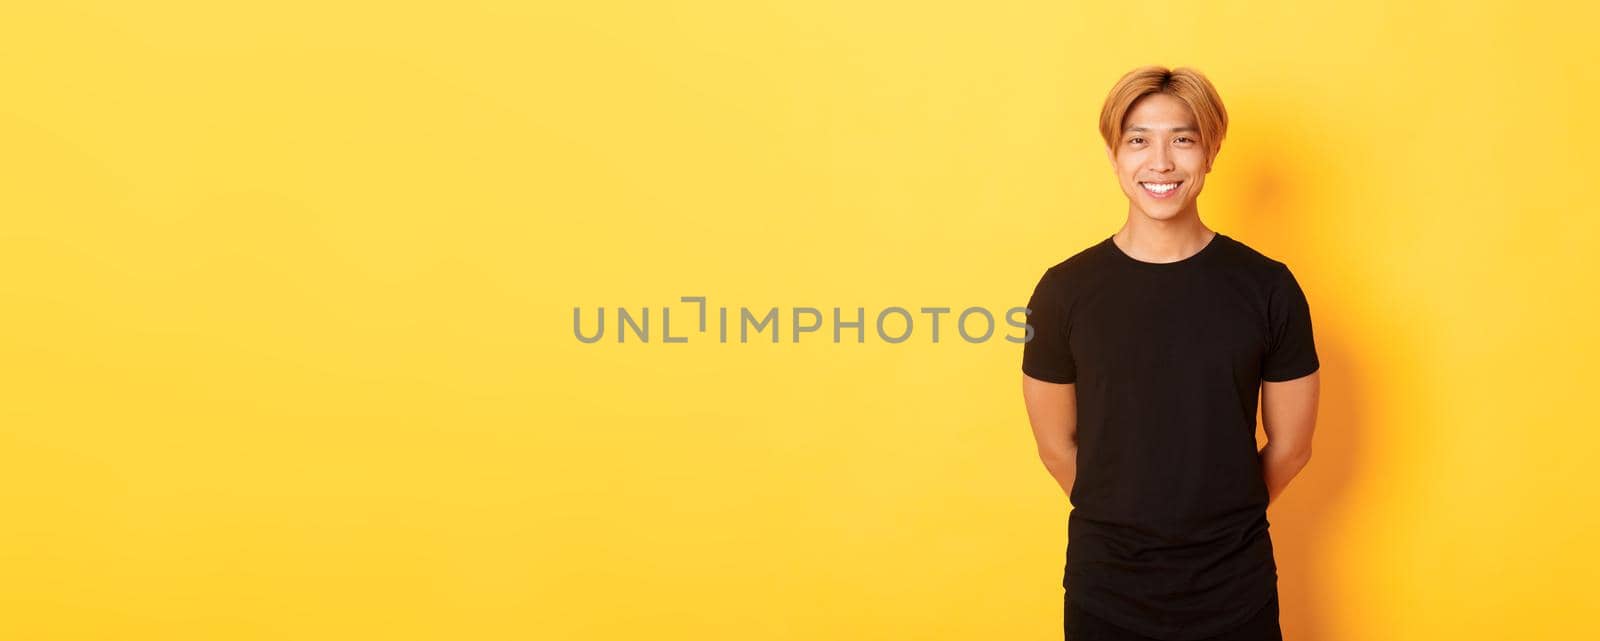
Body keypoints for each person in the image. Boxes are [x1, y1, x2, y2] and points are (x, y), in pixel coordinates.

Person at [1021, 65, 1322, 641]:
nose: (1160, 162)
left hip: (1236, 590)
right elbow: (1055, 447)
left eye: (1182, 139)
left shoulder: (1268, 288)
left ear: (1210, 153)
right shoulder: (1063, 292)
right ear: (1114, 156)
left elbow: (1293, 446)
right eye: (1138, 140)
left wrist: (1221, 517)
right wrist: (1128, 518)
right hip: (1106, 591)